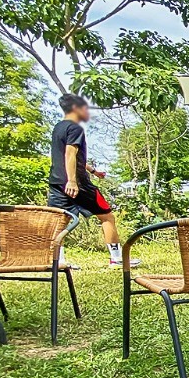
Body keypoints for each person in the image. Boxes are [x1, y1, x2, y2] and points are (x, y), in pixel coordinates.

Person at [47, 94, 133, 267]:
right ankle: (116, 258)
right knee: (107, 216)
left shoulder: (58, 127)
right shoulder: (75, 128)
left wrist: (93, 171)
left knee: (59, 221)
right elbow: (70, 154)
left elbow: (69, 156)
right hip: (77, 184)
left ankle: (59, 261)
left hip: (57, 182)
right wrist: (72, 181)